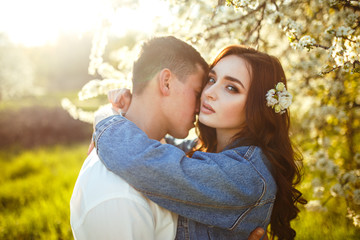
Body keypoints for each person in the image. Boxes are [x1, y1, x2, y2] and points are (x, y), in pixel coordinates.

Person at [93, 45, 307, 239]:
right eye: (212, 80)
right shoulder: (206, 149)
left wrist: (106, 120)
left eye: (231, 88)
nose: (210, 93)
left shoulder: (246, 174)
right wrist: (130, 110)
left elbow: (146, 162)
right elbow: (158, 146)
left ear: (257, 107)